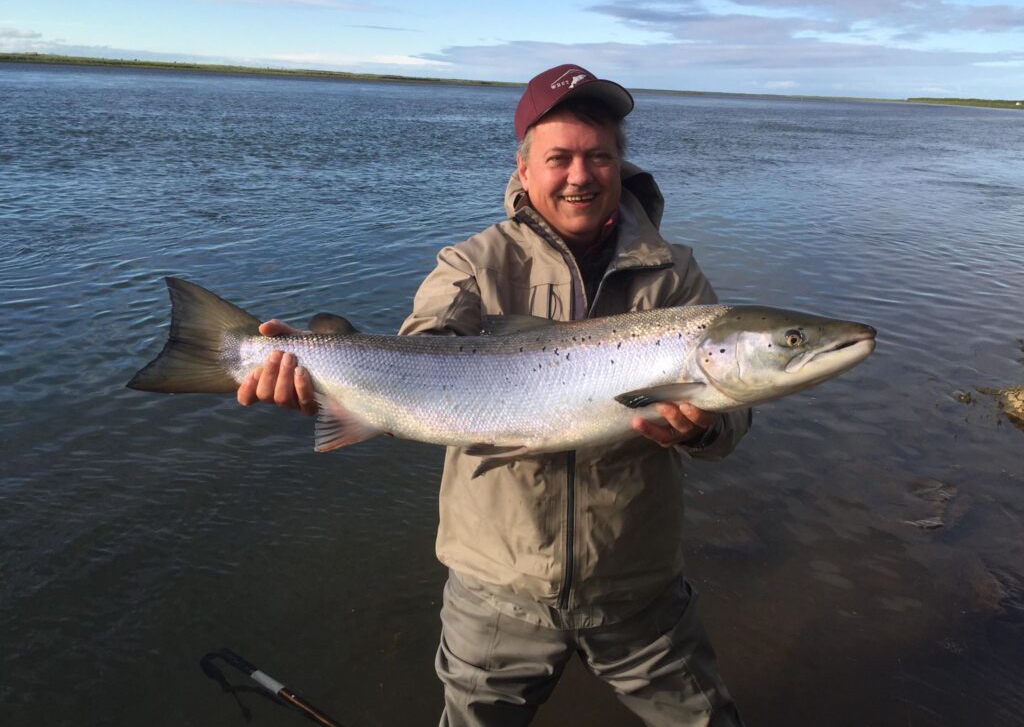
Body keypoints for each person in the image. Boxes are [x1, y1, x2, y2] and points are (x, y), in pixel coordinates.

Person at [238, 64, 751, 727]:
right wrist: (325, 383)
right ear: (524, 169)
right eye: (559, 158)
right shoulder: (472, 263)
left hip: (637, 587)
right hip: (495, 590)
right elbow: (421, 350)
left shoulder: (674, 276)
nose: (580, 175)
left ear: (620, 165)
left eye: (599, 157)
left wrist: (702, 429)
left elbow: (732, 419)